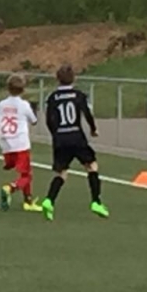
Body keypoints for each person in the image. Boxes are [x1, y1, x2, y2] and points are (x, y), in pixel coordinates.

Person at [42, 65, 109, 221]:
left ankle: (49, 200)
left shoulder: (52, 98)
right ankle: (96, 202)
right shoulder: (79, 95)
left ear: (57, 79)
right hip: (76, 137)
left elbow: (49, 120)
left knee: (61, 173)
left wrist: (55, 135)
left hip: (61, 138)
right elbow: (87, 113)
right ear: (74, 79)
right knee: (91, 166)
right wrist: (93, 129)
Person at [0, 74, 42, 212]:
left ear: (8, 88)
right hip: (20, 144)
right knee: (27, 175)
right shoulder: (24, 105)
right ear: (23, 90)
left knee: (21, 171)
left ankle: (28, 201)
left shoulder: (1, 104)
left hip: (5, 145)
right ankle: (10, 188)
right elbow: (34, 120)